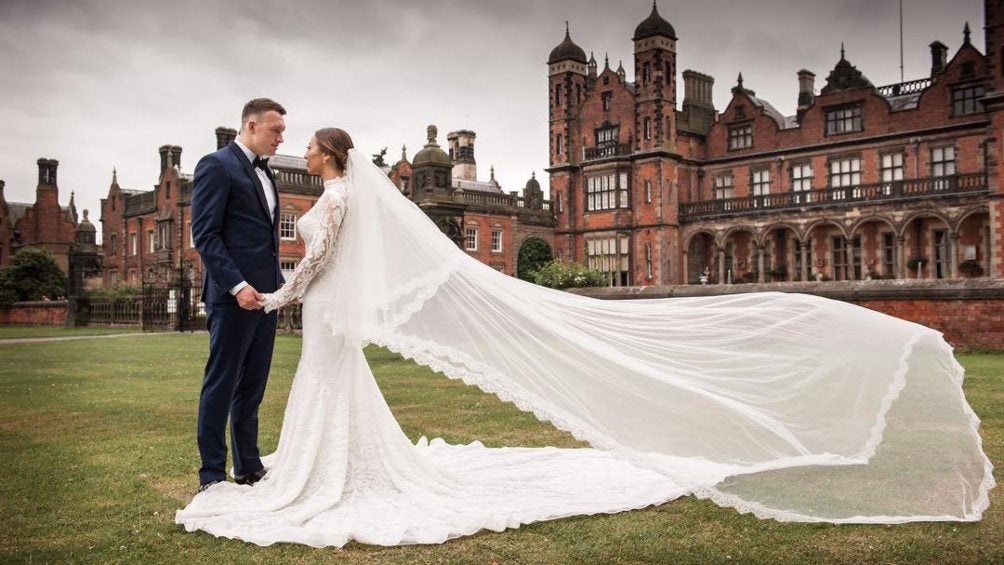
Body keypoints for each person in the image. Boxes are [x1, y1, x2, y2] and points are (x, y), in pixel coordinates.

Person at [177, 127, 994, 547]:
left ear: (327, 156)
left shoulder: (336, 199)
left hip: (308, 310)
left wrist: (271, 291)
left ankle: (292, 469)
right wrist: (268, 286)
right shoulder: (323, 190)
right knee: (315, 389)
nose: (296, 148)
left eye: (305, 142)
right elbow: (316, 258)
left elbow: (314, 264)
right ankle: (271, 464)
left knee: (322, 387)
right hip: (310, 313)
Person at [189, 98, 286, 493]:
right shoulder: (216, 165)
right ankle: (212, 474)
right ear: (250, 126)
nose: (281, 138)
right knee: (222, 383)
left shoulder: (268, 173)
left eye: (282, 131)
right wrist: (238, 286)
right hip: (232, 298)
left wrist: (280, 287)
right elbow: (206, 235)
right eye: (275, 130)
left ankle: (248, 465)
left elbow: (265, 243)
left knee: (253, 386)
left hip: (267, 300)